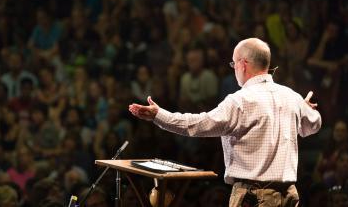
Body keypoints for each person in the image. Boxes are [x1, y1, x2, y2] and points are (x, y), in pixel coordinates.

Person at [129, 38, 322, 206]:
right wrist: (303, 108)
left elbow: (196, 125)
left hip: (254, 197)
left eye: (233, 64)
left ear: (243, 64)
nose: (234, 69)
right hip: (289, 194)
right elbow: (314, 125)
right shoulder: (291, 97)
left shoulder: (240, 100)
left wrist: (158, 115)